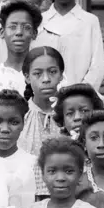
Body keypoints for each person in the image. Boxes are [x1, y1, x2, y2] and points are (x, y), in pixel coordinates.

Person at [40, 0, 104, 91]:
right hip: (46, 97)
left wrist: (80, 93)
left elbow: (97, 66)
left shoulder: (89, 21)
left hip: (80, 98)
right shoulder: (41, 21)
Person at [18, 46, 65, 199]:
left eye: (52, 72)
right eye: (37, 73)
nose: (46, 79)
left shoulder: (70, 115)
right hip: (25, 194)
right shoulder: (19, 114)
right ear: (26, 77)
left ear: (61, 75)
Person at [0, 0, 41, 95]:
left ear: (34, 33)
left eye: (26, 27)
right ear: (2, 32)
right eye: (13, 27)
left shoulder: (47, 74)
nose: (19, 32)